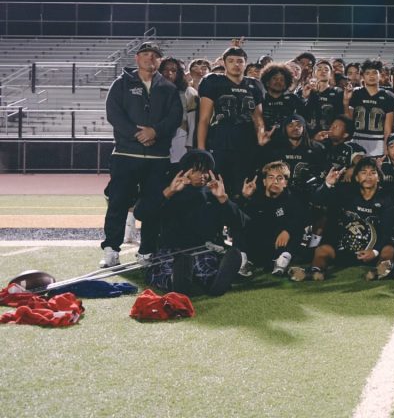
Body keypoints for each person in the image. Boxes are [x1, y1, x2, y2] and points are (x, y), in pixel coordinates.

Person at [101, 42, 183, 267]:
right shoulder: (120, 84)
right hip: (126, 154)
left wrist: (155, 131)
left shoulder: (168, 88)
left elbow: (175, 117)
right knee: (118, 202)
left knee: (153, 205)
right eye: (145, 54)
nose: (150, 59)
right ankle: (111, 249)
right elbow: (113, 114)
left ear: (159, 60)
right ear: (137, 58)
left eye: (155, 56)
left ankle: (147, 250)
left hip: (157, 158)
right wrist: (138, 134)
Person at [136, 150, 243, 296]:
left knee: (206, 268)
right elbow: (141, 213)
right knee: (165, 270)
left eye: (206, 171)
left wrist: (224, 199)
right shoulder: (170, 190)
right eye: (197, 171)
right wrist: (169, 192)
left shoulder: (214, 194)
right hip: (172, 249)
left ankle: (214, 284)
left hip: (203, 248)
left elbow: (240, 223)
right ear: (186, 172)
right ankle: (175, 282)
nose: (203, 176)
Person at [306, 158, 394, 281]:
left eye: (373, 172)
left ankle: (381, 270)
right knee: (323, 249)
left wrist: (375, 251)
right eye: (363, 172)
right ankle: (316, 271)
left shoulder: (387, 197)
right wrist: (328, 184)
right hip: (345, 247)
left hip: (372, 248)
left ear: (379, 177)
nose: (368, 176)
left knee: (388, 250)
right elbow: (317, 201)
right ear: (356, 177)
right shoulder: (345, 192)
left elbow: (387, 230)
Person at [196, 46, 270, 199]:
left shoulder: (255, 85)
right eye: (231, 61)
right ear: (224, 63)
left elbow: (258, 118)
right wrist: (201, 150)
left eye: (239, 61)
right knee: (217, 190)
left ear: (245, 63)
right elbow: (203, 119)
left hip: (247, 145)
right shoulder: (212, 81)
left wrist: (261, 135)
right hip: (220, 143)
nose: (236, 64)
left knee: (242, 191)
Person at [235, 161, 308, 277]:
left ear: (285, 183)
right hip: (258, 246)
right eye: (271, 177)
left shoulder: (292, 199)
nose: (275, 181)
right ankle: (243, 263)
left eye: (280, 178)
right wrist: (244, 197)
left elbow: (301, 217)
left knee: (297, 230)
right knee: (241, 226)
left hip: (280, 246)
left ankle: (282, 261)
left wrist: (288, 231)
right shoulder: (255, 199)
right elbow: (237, 219)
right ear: (264, 182)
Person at [347, 60, 394, 157]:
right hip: (357, 139)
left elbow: (387, 129)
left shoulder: (389, 97)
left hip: (378, 142)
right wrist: (346, 101)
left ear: (380, 75)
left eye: (375, 73)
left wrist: (386, 148)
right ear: (362, 76)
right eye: (367, 73)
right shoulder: (355, 94)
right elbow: (348, 120)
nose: (371, 76)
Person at [158, 57, 197, 163]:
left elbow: (192, 121)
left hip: (180, 138)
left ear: (179, 73)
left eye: (174, 70)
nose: (169, 73)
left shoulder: (188, 92)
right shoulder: (154, 90)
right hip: (158, 139)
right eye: (165, 70)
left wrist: (190, 143)